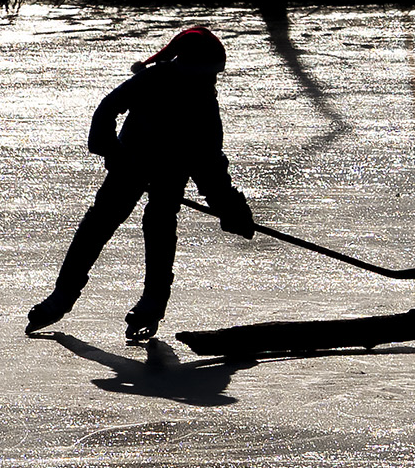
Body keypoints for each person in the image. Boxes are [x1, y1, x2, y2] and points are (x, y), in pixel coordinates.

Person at [27, 23, 252, 340]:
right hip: (130, 161)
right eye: (209, 74)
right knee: (100, 222)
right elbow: (106, 110)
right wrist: (111, 149)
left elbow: (210, 163)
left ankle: (153, 302)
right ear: (190, 68)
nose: (213, 81)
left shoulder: (204, 104)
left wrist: (230, 207)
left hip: (172, 169)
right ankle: (62, 295)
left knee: (159, 222)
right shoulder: (151, 81)